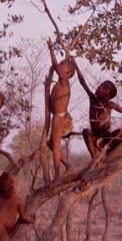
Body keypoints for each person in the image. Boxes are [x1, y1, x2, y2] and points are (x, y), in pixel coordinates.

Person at [72, 58, 122, 159]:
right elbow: (83, 82)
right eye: (101, 85)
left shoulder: (110, 105)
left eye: (104, 88)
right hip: (95, 137)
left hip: (106, 138)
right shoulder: (92, 99)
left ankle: (107, 149)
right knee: (86, 131)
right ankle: (95, 158)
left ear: (108, 95)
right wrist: (75, 65)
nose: (99, 87)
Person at [47, 39, 76, 179]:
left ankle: (57, 176)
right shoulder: (61, 82)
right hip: (57, 116)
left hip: (59, 118)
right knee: (51, 144)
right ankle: (67, 166)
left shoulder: (65, 82)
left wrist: (51, 49)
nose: (60, 65)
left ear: (68, 73)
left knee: (56, 146)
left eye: (63, 66)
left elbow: (54, 64)